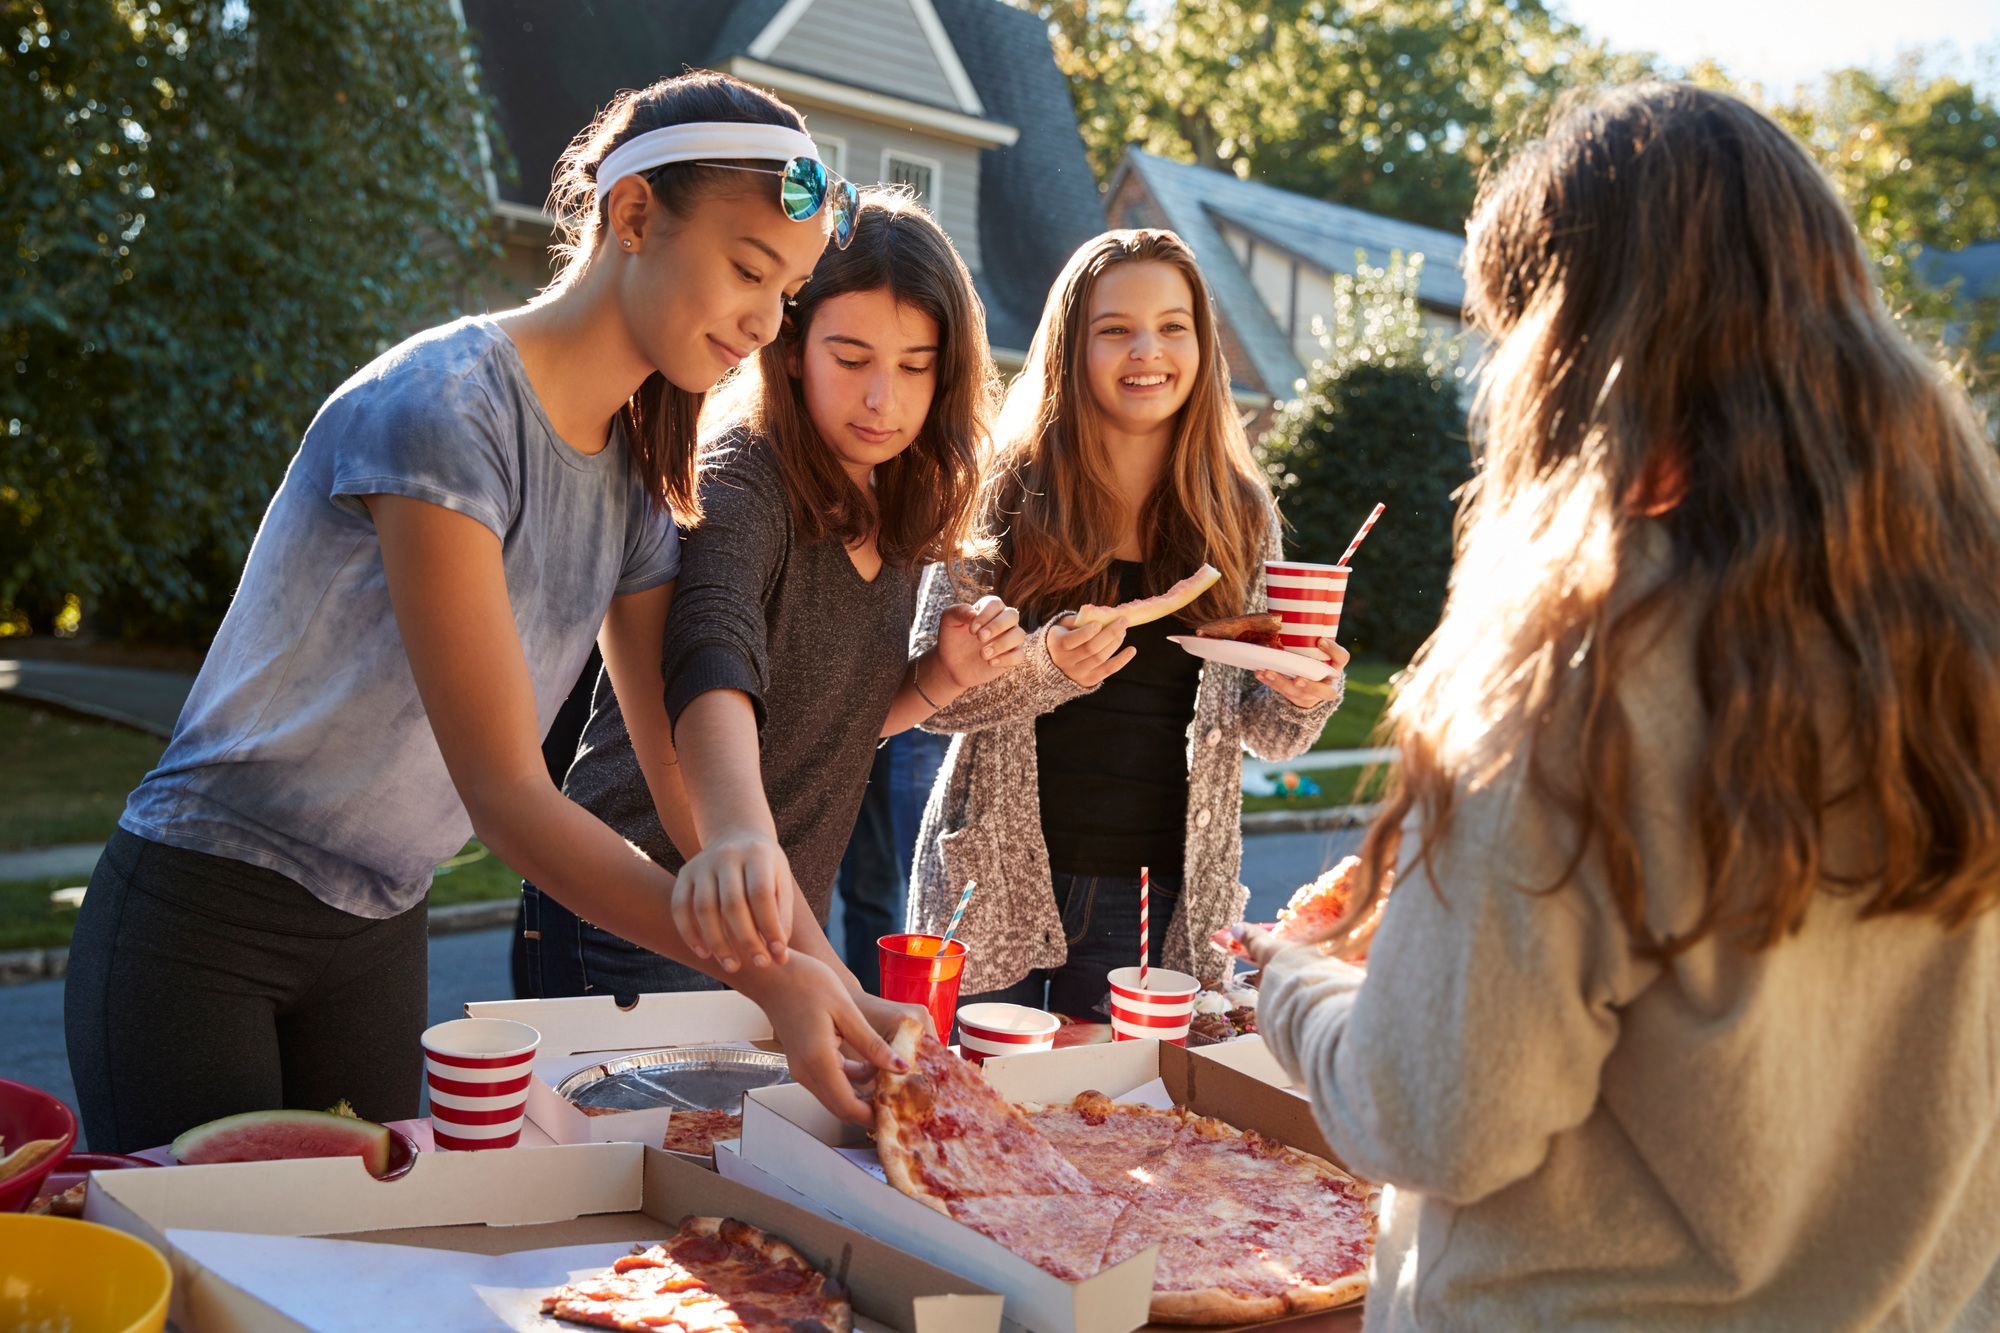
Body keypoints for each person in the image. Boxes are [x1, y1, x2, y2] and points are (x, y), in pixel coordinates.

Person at [1239, 82, 2000, 1330]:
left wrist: (1296, 979)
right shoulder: (1957, 632)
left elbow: (1435, 1115)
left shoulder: (1584, 662)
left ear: (1567, 352)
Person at [66, 71, 915, 1149]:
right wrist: (760, 973)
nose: (764, 321)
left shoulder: (641, 478)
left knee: (359, 1294)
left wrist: (829, 982)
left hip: (378, 931)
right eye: (749, 269)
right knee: (216, 1299)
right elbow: (510, 795)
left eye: (787, 293)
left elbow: (684, 783)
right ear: (634, 214)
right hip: (203, 919)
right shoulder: (444, 409)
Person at [539, 189, 1021, 1008]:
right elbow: (712, 658)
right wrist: (832, 977)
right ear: (792, 346)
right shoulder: (739, 479)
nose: (883, 399)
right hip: (639, 913)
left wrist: (940, 676)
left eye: (914, 366)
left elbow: (827, 721)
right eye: (852, 356)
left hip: (772, 919)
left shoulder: (897, 501)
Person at [906, 229, 1347, 1018]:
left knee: (1121, 1127)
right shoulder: (999, 493)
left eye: (1173, 326)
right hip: (989, 877)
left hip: (1153, 900)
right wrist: (1049, 668)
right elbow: (929, 702)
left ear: (1202, 344)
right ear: (1072, 347)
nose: (1148, 350)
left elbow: (1273, 735)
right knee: (965, 1117)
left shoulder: (1238, 517)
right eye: (1116, 329)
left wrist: (1304, 690)